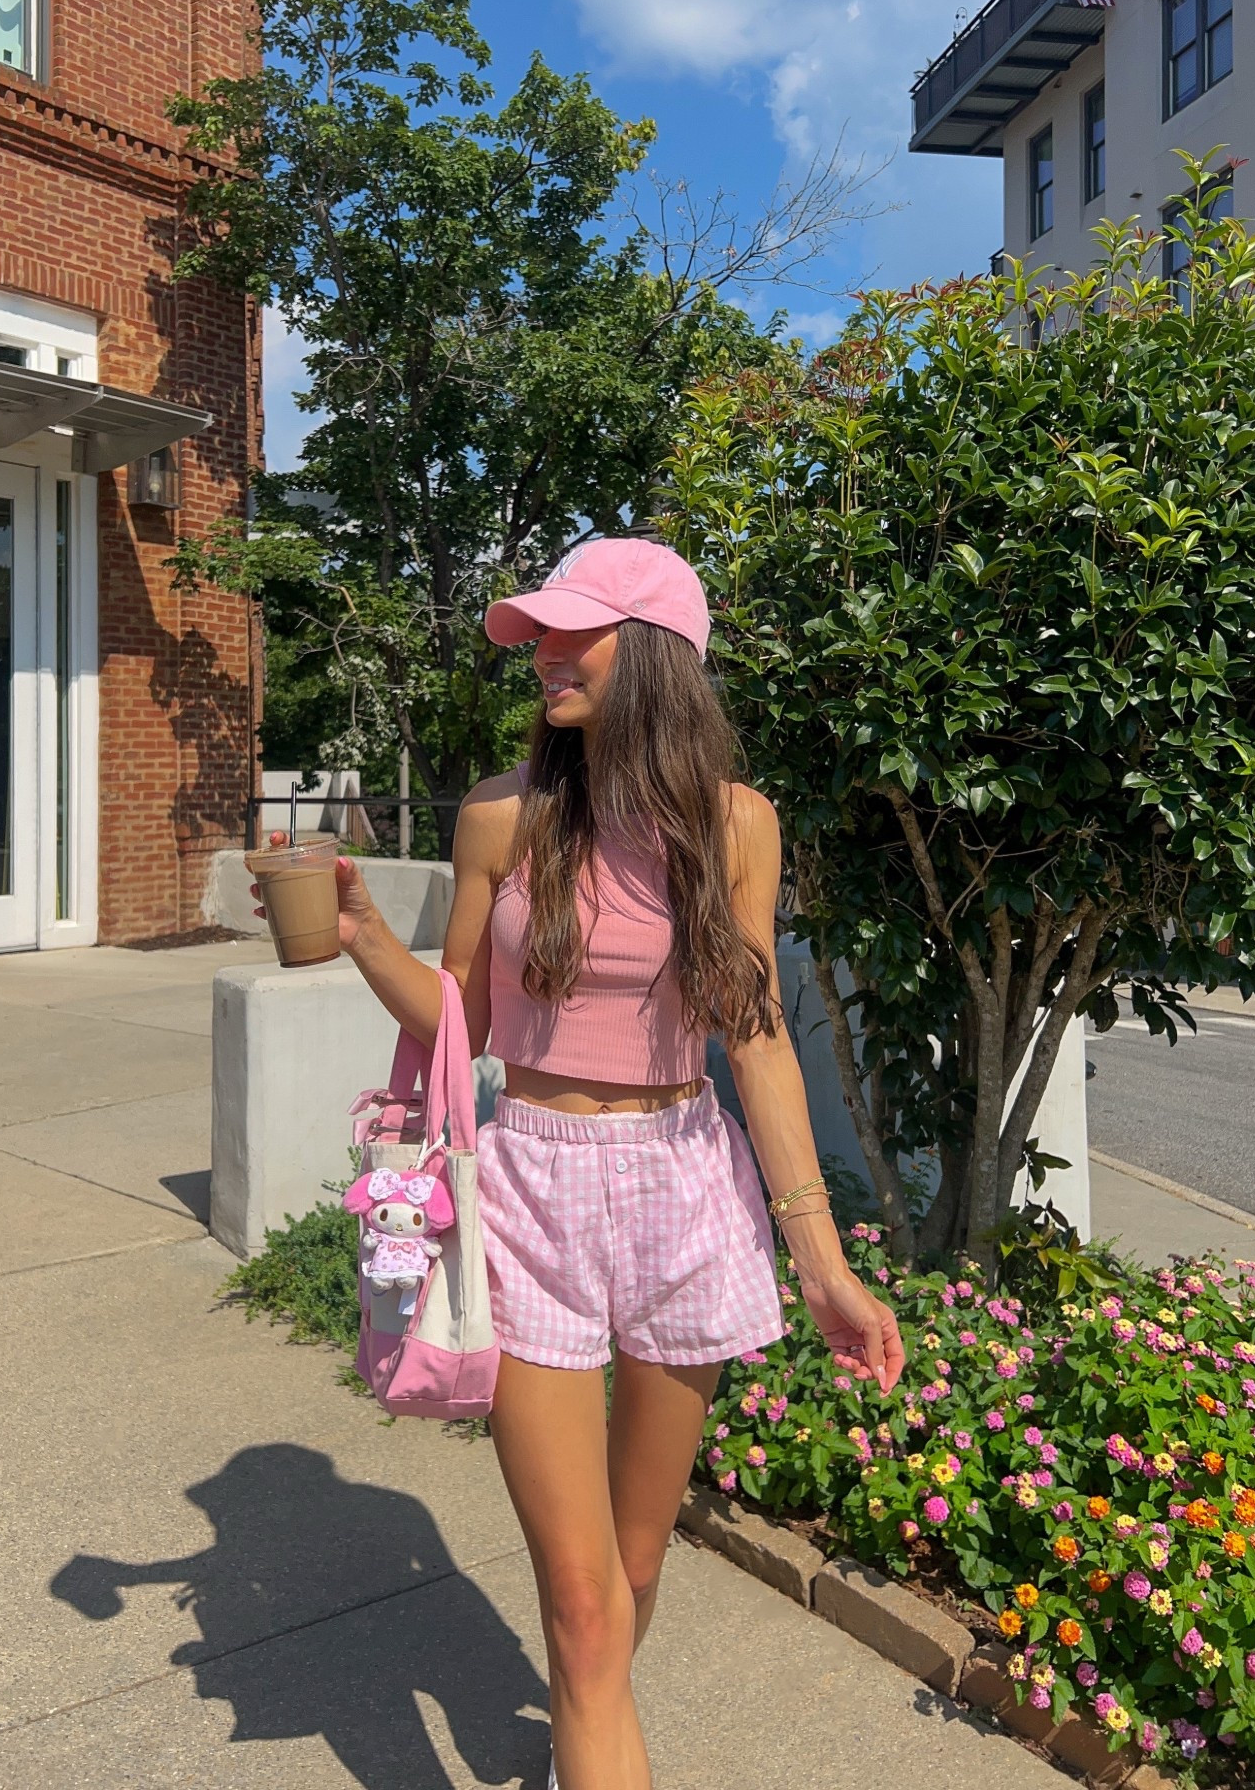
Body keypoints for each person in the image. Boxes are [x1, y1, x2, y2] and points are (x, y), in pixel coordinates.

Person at [326, 536, 904, 1790]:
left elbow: (754, 1042)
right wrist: (366, 936)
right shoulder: (501, 814)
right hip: (530, 1186)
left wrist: (824, 1266)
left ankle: (589, 1724)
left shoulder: (738, 825)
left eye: (570, 630)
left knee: (634, 1576)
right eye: (536, 629)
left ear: (652, 654)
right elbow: (455, 1019)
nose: (541, 650)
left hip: (685, 1184)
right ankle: (594, 1711)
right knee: (582, 1611)